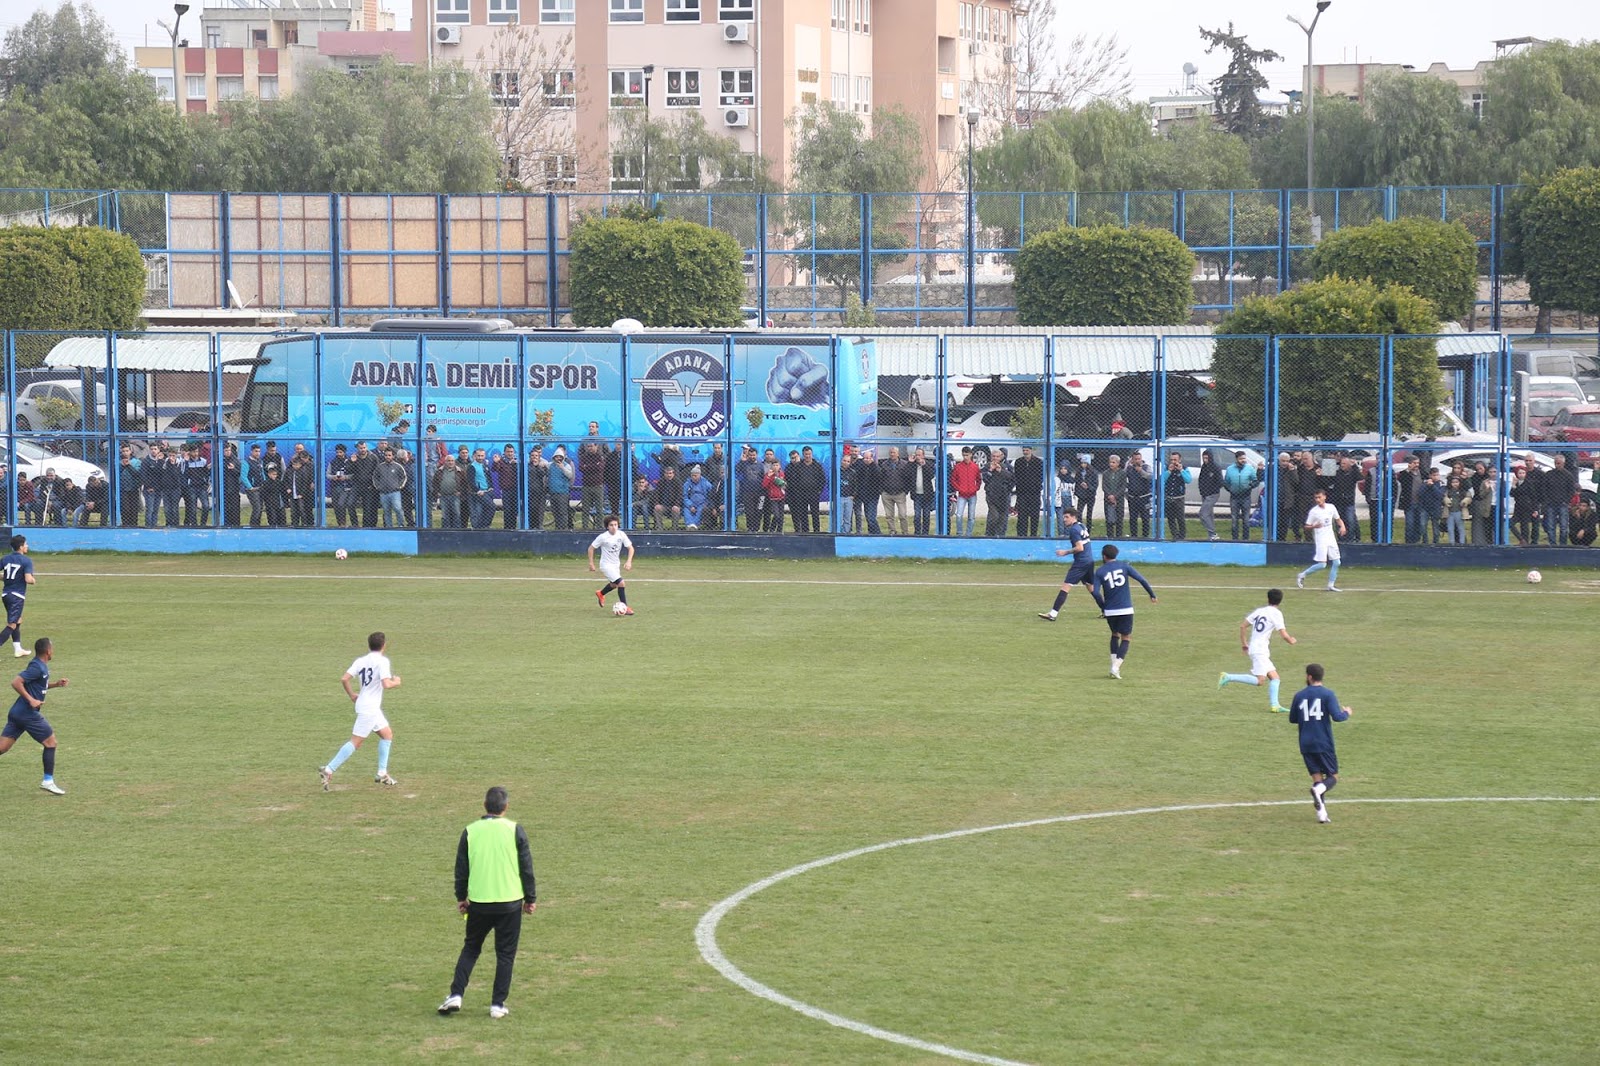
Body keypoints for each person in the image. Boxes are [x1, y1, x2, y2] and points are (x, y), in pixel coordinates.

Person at [438, 786, 538, 1019]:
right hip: (510, 902)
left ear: (485, 805)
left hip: (480, 903)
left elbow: (461, 869)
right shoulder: (515, 830)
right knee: (505, 955)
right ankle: (497, 1004)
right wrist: (530, 899)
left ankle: (456, 994)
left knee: (471, 948)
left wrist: (461, 897)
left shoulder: (470, 831)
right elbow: (527, 868)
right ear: (506, 807)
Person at [319, 632, 401, 790]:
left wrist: (351, 695)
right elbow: (386, 684)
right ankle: (328, 769)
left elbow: (344, 678)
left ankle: (382, 773)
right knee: (355, 743)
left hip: (368, 706)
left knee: (387, 734)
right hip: (369, 709)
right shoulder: (382, 662)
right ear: (384, 645)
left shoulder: (361, 661)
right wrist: (396, 682)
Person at [0, 636, 70, 794]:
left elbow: (39, 685)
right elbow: (16, 682)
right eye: (52, 649)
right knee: (51, 743)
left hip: (18, 712)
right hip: (27, 713)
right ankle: (48, 781)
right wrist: (31, 700)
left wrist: (56, 684)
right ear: (48, 651)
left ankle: (48, 781)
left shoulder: (41, 666)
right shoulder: (37, 667)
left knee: (2, 747)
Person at [1287, 663, 1352, 824]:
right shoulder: (1327, 694)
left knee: (1317, 776)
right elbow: (1337, 717)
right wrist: (1347, 713)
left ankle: (1322, 814)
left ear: (1309, 677)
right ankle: (1318, 790)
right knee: (1332, 776)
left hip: (1305, 743)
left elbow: (1292, 719)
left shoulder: (1299, 695)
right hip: (1323, 742)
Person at [1218, 587, 1299, 714]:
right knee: (1260, 681)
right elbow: (1283, 634)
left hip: (1257, 648)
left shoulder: (1260, 611)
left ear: (1268, 599)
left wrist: (1244, 643)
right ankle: (1228, 677)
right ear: (1280, 601)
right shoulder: (1276, 614)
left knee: (1275, 677)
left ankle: (1275, 705)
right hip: (1260, 651)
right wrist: (1291, 640)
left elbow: (1243, 625)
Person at [1087, 544, 1157, 679]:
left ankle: (1114, 666)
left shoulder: (1100, 571)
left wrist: (1103, 606)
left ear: (1104, 556)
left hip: (1110, 611)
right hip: (1126, 608)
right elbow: (1141, 579)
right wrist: (1152, 594)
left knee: (1114, 634)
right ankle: (1116, 667)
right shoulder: (1124, 566)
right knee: (1126, 637)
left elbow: (1095, 592)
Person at [1038, 507, 1093, 621]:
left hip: (1081, 562)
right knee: (1091, 587)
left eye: (1067, 517)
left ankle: (1053, 614)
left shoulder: (1074, 530)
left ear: (1073, 517)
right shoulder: (1082, 526)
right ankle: (1106, 610)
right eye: (1064, 517)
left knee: (1066, 586)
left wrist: (1065, 552)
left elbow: (1079, 547)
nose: (1064, 520)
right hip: (1089, 561)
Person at [1296, 489, 1347, 591]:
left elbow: (1338, 519)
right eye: (1316, 498)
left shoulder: (1331, 507)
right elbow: (1306, 526)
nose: (1318, 500)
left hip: (1331, 538)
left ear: (1324, 497)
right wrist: (1314, 526)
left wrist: (1342, 527)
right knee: (1322, 564)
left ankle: (1331, 585)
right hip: (1321, 539)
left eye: (1319, 497)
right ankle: (1302, 575)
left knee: (1337, 562)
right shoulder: (1314, 512)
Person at [589, 515, 635, 614]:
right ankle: (625, 608)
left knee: (614, 585)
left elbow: (631, 548)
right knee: (621, 583)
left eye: (615, 525)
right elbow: (591, 548)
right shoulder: (603, 537)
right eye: (611, 525)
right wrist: (591, 563)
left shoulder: (621, 534)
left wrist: (629, 561)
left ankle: (601, 593)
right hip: (606, 565)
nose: (614, 527)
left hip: (615, 565)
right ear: (607, 526)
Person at [1, 536, 37, 658]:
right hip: (17, 596)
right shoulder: (26, 561)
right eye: (26, 544)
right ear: (21, 546)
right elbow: (28, 579)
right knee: (12, 624)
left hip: (6, 595)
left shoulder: (5, 559)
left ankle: (18, 649)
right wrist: (33, 580)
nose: (27, 546)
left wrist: (5, 578)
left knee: (18, 620)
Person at [1223, 450, 1258, 541]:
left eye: (1244, 458)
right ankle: (1235, 538)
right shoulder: (1230, 469)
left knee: (1246, 520)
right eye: (1241, 458)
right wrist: (1230, 490)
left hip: (1246, 497)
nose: (1243, 460)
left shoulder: (1250, 468)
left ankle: (1245, 538)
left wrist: (1250, 486)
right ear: (1236, 459)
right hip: (1234, 497)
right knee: (1234, 520)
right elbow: (1226, 482)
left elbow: (1255, 480)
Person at [1011, 445, 1044, 538]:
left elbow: (1040, 477)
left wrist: (1035, 486)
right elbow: (1016, 476)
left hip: (1034, 493)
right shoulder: (1019, 462)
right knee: (1022, 515)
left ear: (1031, 450)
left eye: (1027, 450)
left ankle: (1033, 534)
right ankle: (1022, 534)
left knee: (1034, 515)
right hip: (1022, 493)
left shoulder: (1038, 462)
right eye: (1024, 450)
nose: (1025, 452)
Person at [878, 446, 911, 535]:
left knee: (902, 515)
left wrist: (905, 491)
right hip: (887, 494)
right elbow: (880, 478)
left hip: (900, 493)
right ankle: (892, 530)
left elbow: (908, 478)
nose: (892, 454)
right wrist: (882, 491)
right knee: (889, 515)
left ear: (898, 453)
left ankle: (905, 532)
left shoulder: (904, 464)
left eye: (894, 452)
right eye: (891, 452)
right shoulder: (884, 464)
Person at [949, 447, 982, 537]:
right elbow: (953, 479)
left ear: (971, 455)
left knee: (971, 516)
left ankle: (968, 534)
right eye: (964, 455)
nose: (965, 457)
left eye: (967, 455)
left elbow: (979, 479)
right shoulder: (958, 467)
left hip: (972, 495)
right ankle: (959, 533)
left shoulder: (975, 467)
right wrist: (959, 489)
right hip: (962, 495)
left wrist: (976, 488)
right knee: (959, 515)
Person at [375, 446, 409, 529]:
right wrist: (378, 487)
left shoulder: (398, 466)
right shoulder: (380, 467)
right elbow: (375, 477)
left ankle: (401, 525)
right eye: (386, 455)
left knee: (398, 508)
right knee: (386, 511)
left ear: (393, 456)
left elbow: (404, 477)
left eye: (389, 455)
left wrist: (399, 486)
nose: (388, 457)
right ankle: (389, 527)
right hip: (383, 493)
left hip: (395, 492)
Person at [908, 447, 939, 535]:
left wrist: (923, 465)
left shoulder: (929, 464)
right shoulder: (912, 465)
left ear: (923, 456)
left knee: (926, 515)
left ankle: (925, 533)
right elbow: (906, 474)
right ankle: (917, 532)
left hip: (927, 495)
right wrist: (910, 463)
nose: (918, 457)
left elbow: (931, 476)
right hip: (917, 494)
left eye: (919, 455)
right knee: (917, 515)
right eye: (916, 455)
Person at [1162, 452, 1190, 540]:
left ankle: (1182, 536)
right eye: (1171, 460)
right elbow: (1162, 479)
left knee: (1180, 518)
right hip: (1169, 497)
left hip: (1179, 498)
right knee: (1170, 518)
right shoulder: (1166, 468)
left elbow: (1188, 480)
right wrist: (1169, 471)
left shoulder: (1185, 468)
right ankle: (1174, 535)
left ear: (1179, 460)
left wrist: (1181, 470)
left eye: (1175, 460)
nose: (1173, 462)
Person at [1196, 449, 1223, 541]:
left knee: (1203, 514)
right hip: (1204, 494)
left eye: (1207, 458)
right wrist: (1202, 491)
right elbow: (1201, 480)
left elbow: (1220, 482)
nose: (1205, 460)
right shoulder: (1204, 467)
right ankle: (1211, 535)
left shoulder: (1215, 467)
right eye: (1204, 458)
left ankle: (1213, 533)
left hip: (1212, 494)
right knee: (1209, 514)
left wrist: (1211, 489)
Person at [1125, 453, 1152, 538]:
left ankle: (1145, 536)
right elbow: (1124, 478)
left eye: (1138, 459)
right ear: (1132, 460)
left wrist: (1141, 471)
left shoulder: (1146, 467)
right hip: (1132, 498)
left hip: (1144, 497)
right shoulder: (1129, 468)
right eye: (1135, 459)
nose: (1137, 461)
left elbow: (1150, 477)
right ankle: (1134, 536)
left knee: (1145, 518)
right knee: (1133, 518)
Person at [1100, 454, 1125, 538]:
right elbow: (1104, 486)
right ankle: (1110, 536)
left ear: (1118, 463)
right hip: (1108, 499)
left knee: (1119, 519)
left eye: (1113, 462)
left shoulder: (1122, 473)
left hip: (1119, 500)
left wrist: (1115, 496)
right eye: (1110, 462)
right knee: (1109, 519)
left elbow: (1123, 486)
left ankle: (1118, 536)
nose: (1111, 464)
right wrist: (1110, 495)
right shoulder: (1106, 473)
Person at [682, 465, 714, 530]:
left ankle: (695, 525)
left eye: (695, 475)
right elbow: (684, 496)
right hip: (690, 503)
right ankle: (690, 524)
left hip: (702, 503)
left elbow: (711, 494)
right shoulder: (687, 484)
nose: (694, 477)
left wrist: (707, 503)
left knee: (700, 510)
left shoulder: (706, 483)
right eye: (692, 475)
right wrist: (690, 505)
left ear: (700, 475)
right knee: (686, 510)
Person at [1073, 456, 1099, 534]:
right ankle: (1080, 528)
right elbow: (1076, 482)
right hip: (1082, 495)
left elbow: (1095, 485)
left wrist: (1088, 486)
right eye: (1082, 463)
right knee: (1079, 512)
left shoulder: (1093, 472)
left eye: (1085, 463)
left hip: (1090, 495)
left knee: (1089, 514)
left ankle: (1088, 530)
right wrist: (1078, 491)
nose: (1083, 464)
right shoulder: (1079, 471)